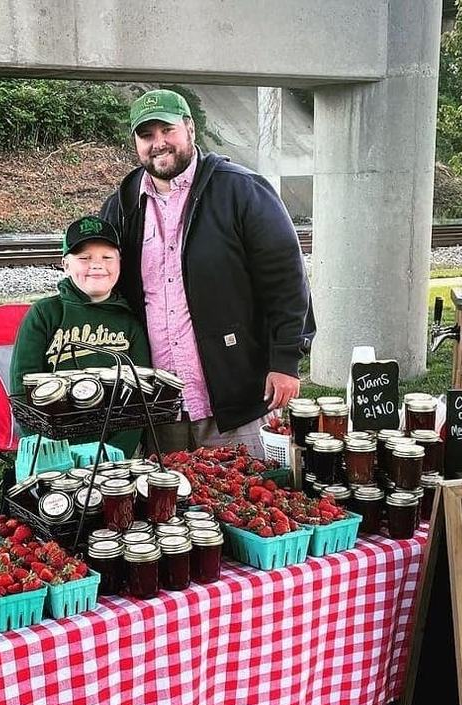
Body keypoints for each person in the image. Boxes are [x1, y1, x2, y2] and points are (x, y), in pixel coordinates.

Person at [101, 88, 313, 460]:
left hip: (236, 397)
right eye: (146, 135)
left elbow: (286, 282)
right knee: (169, 510)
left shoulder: (241, 190)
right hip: (158, 404)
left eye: (167, 131)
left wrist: (285, 361)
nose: (158, 144)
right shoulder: (122, 205)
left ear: (190, 129)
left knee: (250, 504)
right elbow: (99, 284)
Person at [9, 215, 150, 457]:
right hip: (53, 450)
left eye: (107, 257)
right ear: (65, 264)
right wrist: (50, 450)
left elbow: (141, 397)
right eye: (84, 258)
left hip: (114, 452)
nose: (97, 265)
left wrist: (116, 451)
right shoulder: (45, 314)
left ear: (119, 263)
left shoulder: (130, 322)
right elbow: (22, 390)